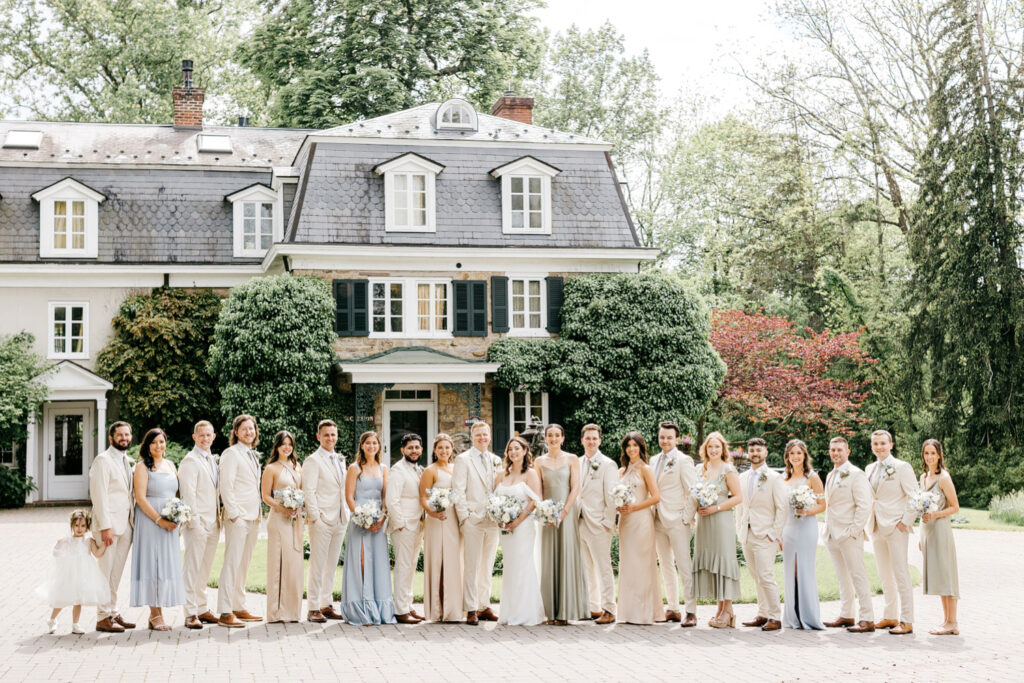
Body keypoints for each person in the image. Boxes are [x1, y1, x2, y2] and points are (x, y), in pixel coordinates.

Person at [129, 428, 186, 630]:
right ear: (147, 445)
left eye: (161, 442)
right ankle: (155, 614)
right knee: (152, 564)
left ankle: (158, 612)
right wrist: (159, 520)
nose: (158, 446)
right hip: (150, 521)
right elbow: (141, 498)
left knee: (165, 565)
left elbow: (178, 491)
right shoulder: (142, 467)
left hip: (169, 521)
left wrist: (178, 514)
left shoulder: (171, 464)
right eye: (154, 442)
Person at [340, 431, 396, 625]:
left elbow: (385, 497)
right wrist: (361, 518)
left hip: (378, 522)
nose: (371, 446)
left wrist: (381, 517)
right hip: (360, 521)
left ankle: (379, 609)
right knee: (361, 563)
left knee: (378, 564)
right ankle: (361, 609)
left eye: (375, 443)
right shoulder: (354, 468)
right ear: (362, 446)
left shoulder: (383, 468)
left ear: (379, 446)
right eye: (368, 443)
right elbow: (349, 496)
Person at [535, 423, 588, 625]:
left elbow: (576, 487)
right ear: (545, 438)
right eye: (550, 435)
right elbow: (538, 488)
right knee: (549, 557)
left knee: (567, 555)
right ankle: (551, 612)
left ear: (563, 438)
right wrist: (544, 510)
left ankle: (566, 611)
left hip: (567, 512)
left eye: (557, 435)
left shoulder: (572, 459)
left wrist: (564, 512)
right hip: (548, 514)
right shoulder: (539, 461)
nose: (554, 438)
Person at [866, 429, 917, 634]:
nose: (879, 447)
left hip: (896, 526)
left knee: (900, 573)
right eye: (875, 444)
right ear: (872, 446)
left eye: (883, 443)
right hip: (876, 525)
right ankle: (889, 616)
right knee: (884, 574)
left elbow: (915, 496)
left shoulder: (901, 467)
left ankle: (907, 620)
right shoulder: (869, 468)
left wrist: (905, 522)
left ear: (891, 445)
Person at [823, 436, 876, 633]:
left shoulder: (856, 474)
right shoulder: (830, 475)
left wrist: (853, 531)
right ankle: (846, 614)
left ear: (848, 452)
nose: (835, 453)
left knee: (858, 575)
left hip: (848, 534)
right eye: (832, 450)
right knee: (842, 577)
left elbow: (865, 505)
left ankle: (867, 618)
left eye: (839, 450)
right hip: (831, 534)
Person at [88, 421, 136, 633]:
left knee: (116, 573)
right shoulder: (102, 460)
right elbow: (99, 496)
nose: (124, 438)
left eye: (127, 434)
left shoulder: (128, 461)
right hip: (109, 527)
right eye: (120, 435)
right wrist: (105, 526)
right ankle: (102, 617)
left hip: (126, 525)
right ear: (111, 438)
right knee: (105, 573)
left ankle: (113, 611)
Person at [691, 431, 742, 628]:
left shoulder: (728, 470)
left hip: (720, 520)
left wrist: (716, 508)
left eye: (717, 447)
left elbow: (738, 497)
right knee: (711, 562)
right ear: (705, 449)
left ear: (723, 449)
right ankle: (720, 609)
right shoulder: (699, 469)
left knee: (722, 561)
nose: (713, 450)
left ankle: (728, 609)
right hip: (704, 522)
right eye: (710, 446)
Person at [650, 420, 698, 627]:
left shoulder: (684, 461)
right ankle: (673, 608)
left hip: (678, 520)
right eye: (662, 437)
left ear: (677, 439)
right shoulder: (653, 460)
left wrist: (686, 518)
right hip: (657, 519)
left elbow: (693, 491)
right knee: (666, 565)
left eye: (669, 437)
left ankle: (691, 611)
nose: (665, 441)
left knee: (684, 565)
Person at [217, 414, 264, 628]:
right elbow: (226, 485)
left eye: (251, 429)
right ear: (236, 432)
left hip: (253, 515)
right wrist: (234, 514)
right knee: (232, 562)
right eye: (244, 429)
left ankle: (238, 605)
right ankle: (225, 610)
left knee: (244, 564)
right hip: (238, 517)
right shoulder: (231, 454)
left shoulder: (253, 455)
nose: (248, 432)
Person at [736, 437, 787, 631]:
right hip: (747, 534)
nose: (755, 453)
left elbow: (782, 508)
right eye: (752, 450)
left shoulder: (774, 478)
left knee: (766, 575)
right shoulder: (742, 477)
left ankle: (775, 616)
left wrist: (774, 534)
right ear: (748, 453)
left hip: (765, 535)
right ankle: (762, 613)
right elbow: (741, 507)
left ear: (766, 452)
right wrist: (740, 532)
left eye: (758, 450)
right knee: (755, 575)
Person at [452, 420, 500, 625]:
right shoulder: (463, 460)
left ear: (489, 436)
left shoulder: (496, 460)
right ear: (472, 437)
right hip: (473, 519)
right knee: (472, 565)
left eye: (485, 434)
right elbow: (458, 490)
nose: (482, 437)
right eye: (478, 434)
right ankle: (471, 608)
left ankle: (484, 605)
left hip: (493, 520)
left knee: (488, 564)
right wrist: (464, 517)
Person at [494, 436, 546, 626]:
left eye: (517, 448)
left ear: (525, 451)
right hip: (505, 528)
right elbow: (494, 500)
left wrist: (517, 521)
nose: (513, 452)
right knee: (510, 567)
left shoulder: (530, 474)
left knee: (523, 566)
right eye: (510, 449)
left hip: (523, 527)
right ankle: (509, 612)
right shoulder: (501, 475)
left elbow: (535, 500)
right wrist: (499, 517)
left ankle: (526, 613)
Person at [301, 419, 348, 623]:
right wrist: (316, 517)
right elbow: (308, 491)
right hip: (322, 519)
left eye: (333, 434)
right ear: (318, 437)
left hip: (340, 517)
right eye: (326, 434)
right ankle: (312, 607)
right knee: (318, 564)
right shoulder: (312, 460)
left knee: (331, 564)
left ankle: (326, 604)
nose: (330, 438)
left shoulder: (340, 459)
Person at [178, 420, 221, 629]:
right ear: (195, 437)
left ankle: (202, 608)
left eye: (208, 435)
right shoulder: (190, 461)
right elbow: (188, 495)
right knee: (192, 568)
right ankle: (190, 612)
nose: (205, 438)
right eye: (201, 435)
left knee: (204, 569)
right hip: (198, 524)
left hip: (214, 523)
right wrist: (195, 523)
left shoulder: (212, 459)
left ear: (214, 437)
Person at [616, 432, 662, 625]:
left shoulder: (646, 469)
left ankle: (644, 613)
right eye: (628, 446)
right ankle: (627, 613)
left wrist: (635, 507)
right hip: (625, 522)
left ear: (641, 448)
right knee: (628, 564)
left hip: (642, 520)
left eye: (635, 445)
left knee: (642, 564)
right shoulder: (621, 471)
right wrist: (619, 505)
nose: (631, 449)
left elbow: (656, 496)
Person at [37, 510, 108, 635]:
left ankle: (75, 624)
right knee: (62, 598)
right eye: (76, 525)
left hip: (83, 574)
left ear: (87, 527)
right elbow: (56, 554)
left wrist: (104, 545)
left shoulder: (88, 541)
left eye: (83, 526)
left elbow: (97, 553)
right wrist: (58, 545)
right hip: (70, 574)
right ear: (71, 526)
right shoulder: (68, 540)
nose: (79, 529)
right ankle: (52, 619)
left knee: (78, 600)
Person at [781, 439, 826, 630]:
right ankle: (793, 616)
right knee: (790, 571)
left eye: (799, 453)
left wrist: (806, 511)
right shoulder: (784, 478)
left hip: (806, 527)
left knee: (804, 569)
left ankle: (808, 615)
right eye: (792, 453)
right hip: (789, 529)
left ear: (804, 455)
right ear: (787, 457)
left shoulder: (812, 477)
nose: (795, 457)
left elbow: (822, 505)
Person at [419, 433, 464, 623]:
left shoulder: (457, 468)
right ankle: (437, 610)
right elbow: (422, 497)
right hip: (437, 520)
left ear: (452, 449)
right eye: (440, 448)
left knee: (454, 562)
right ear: (435, 450)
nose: (444, 451)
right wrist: (432, 512)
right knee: (437, 560)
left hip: (454, 519)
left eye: (447, 447)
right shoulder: (430, 471)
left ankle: (453, 610)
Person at [576, 424, 618, 624]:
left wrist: (608, 522)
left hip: (599, 524)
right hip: (579, 522)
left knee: (603, 567)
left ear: (600, 441)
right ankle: (593, 607)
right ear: (582, 440)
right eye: (588, 438)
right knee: (586, 567)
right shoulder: (576, 463)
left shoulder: (608, 464)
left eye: (594, 438)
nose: (591, 441)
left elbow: (612, 497)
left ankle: (609, 608)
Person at [261, 431, 304, 623]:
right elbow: (265, 496)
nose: (287, 448)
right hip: (278, 519)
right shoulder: (271, 468)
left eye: (290, 444)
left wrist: (297, 507)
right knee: (279, 563)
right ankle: (276, 612)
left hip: (295, 520)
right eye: (283, 444)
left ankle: (292, 611)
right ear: (277, 446)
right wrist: (282, 507)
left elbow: (301, 491)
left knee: (293, 564)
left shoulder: (297, 466)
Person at [919, 439, 960, 635]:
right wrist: (921, 536)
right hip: (928, 532)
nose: (929, 457)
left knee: (947, 575)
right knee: (940, 577)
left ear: (939, 455)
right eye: (926, 453)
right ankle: (946, 621)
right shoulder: (923, 477)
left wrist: (935, 515)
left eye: (933, 453)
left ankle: (952, 622)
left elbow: (955, 507)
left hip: (941, 530)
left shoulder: (944, 478)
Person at [387, 433, 426, 624]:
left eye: (417, 447)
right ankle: (400, 610)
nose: (414, 451)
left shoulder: (420, 470)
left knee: (411, 566)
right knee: (403, 567)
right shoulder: (397, 470)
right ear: (403, 450)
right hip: (403, 526)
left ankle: (408, 605)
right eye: (410, 448)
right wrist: (400, 524)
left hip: (418, 524)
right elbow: (392, 500)